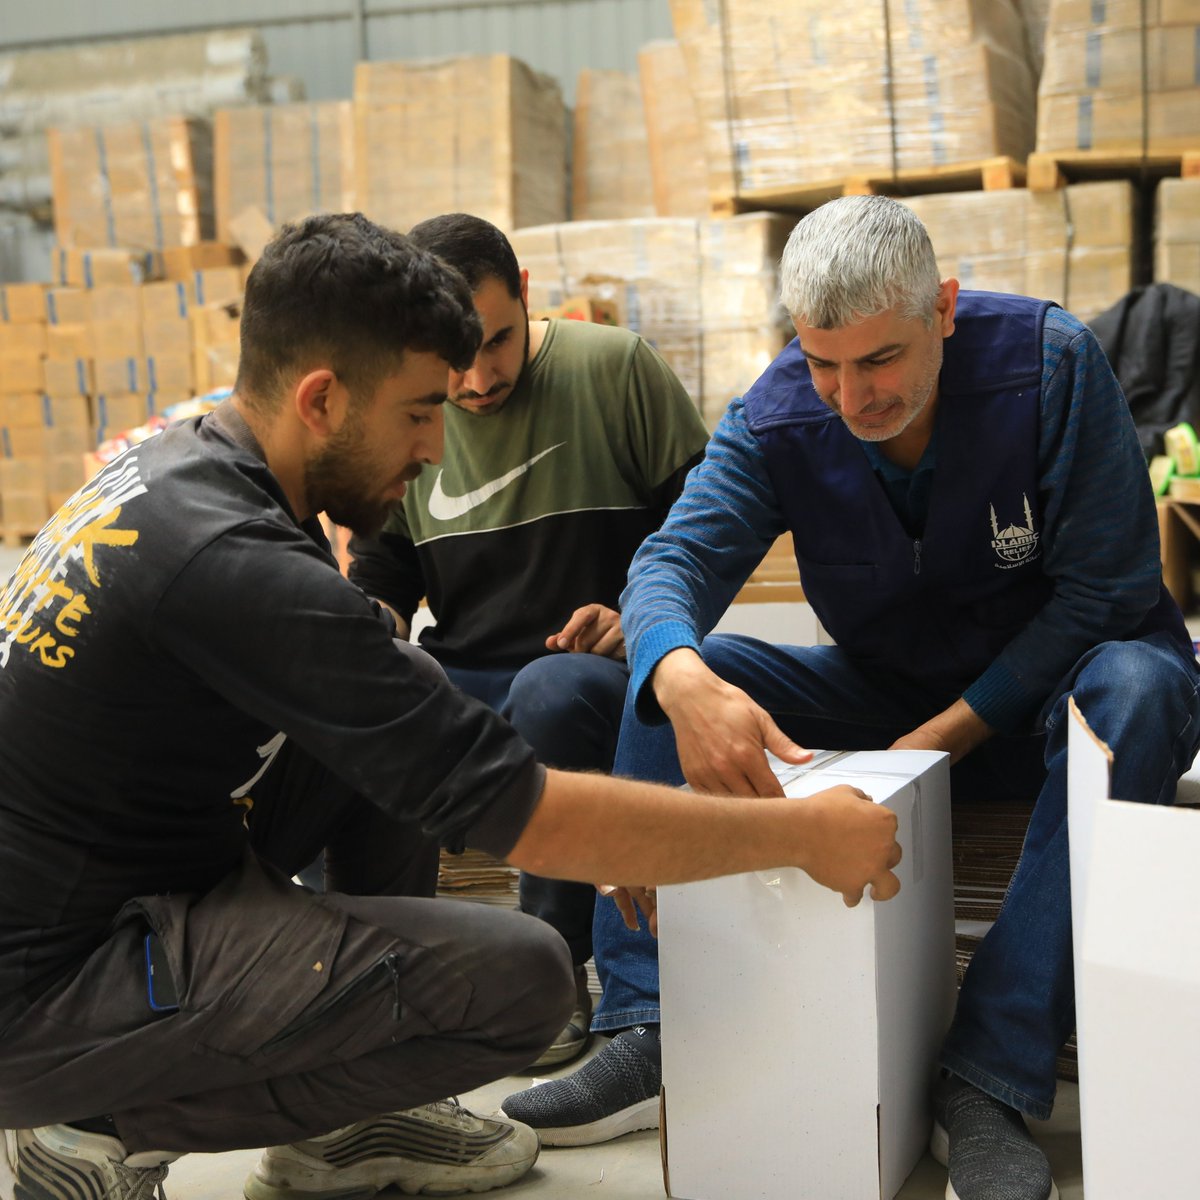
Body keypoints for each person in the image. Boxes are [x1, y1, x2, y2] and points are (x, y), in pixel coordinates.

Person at [0, 212, 903, 1200]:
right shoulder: (233, 560)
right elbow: (539, 821)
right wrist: (804, 836)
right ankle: (89, 1125)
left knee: (408, 677)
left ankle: (345, 1127)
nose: (438, 445)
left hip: (117, 876)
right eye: (422, 410)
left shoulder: (191, 470)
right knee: (519, 982)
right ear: (321, 398)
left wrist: (614, 828)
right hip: (51, 986)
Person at [501, 196, 1200, 1200]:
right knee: (690, 671)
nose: (851, 395)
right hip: (895, 692)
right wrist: (680, 675)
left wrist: (943, 739)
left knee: (1138, 685)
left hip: (1063, 692)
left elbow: (1106, 592)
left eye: (879, 362)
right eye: (825, 363)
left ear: (945, 310)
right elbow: (672, 561)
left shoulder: (1050, 368)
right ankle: (653, 1023)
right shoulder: (781, 412)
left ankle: (988, 1076)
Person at [347, 213, 709, 1067]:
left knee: (546, 691)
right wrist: (365, 628)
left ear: (527, 300)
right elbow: (384, 575)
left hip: (597, 673)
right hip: (468, 671)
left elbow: (706, 529)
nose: (475, 381)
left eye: (497, 342)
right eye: (453, 358)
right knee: (356, 701)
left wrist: (640, 618)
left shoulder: (614, 369)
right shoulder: (409, 412)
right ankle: (367, 983)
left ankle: (554, 971)